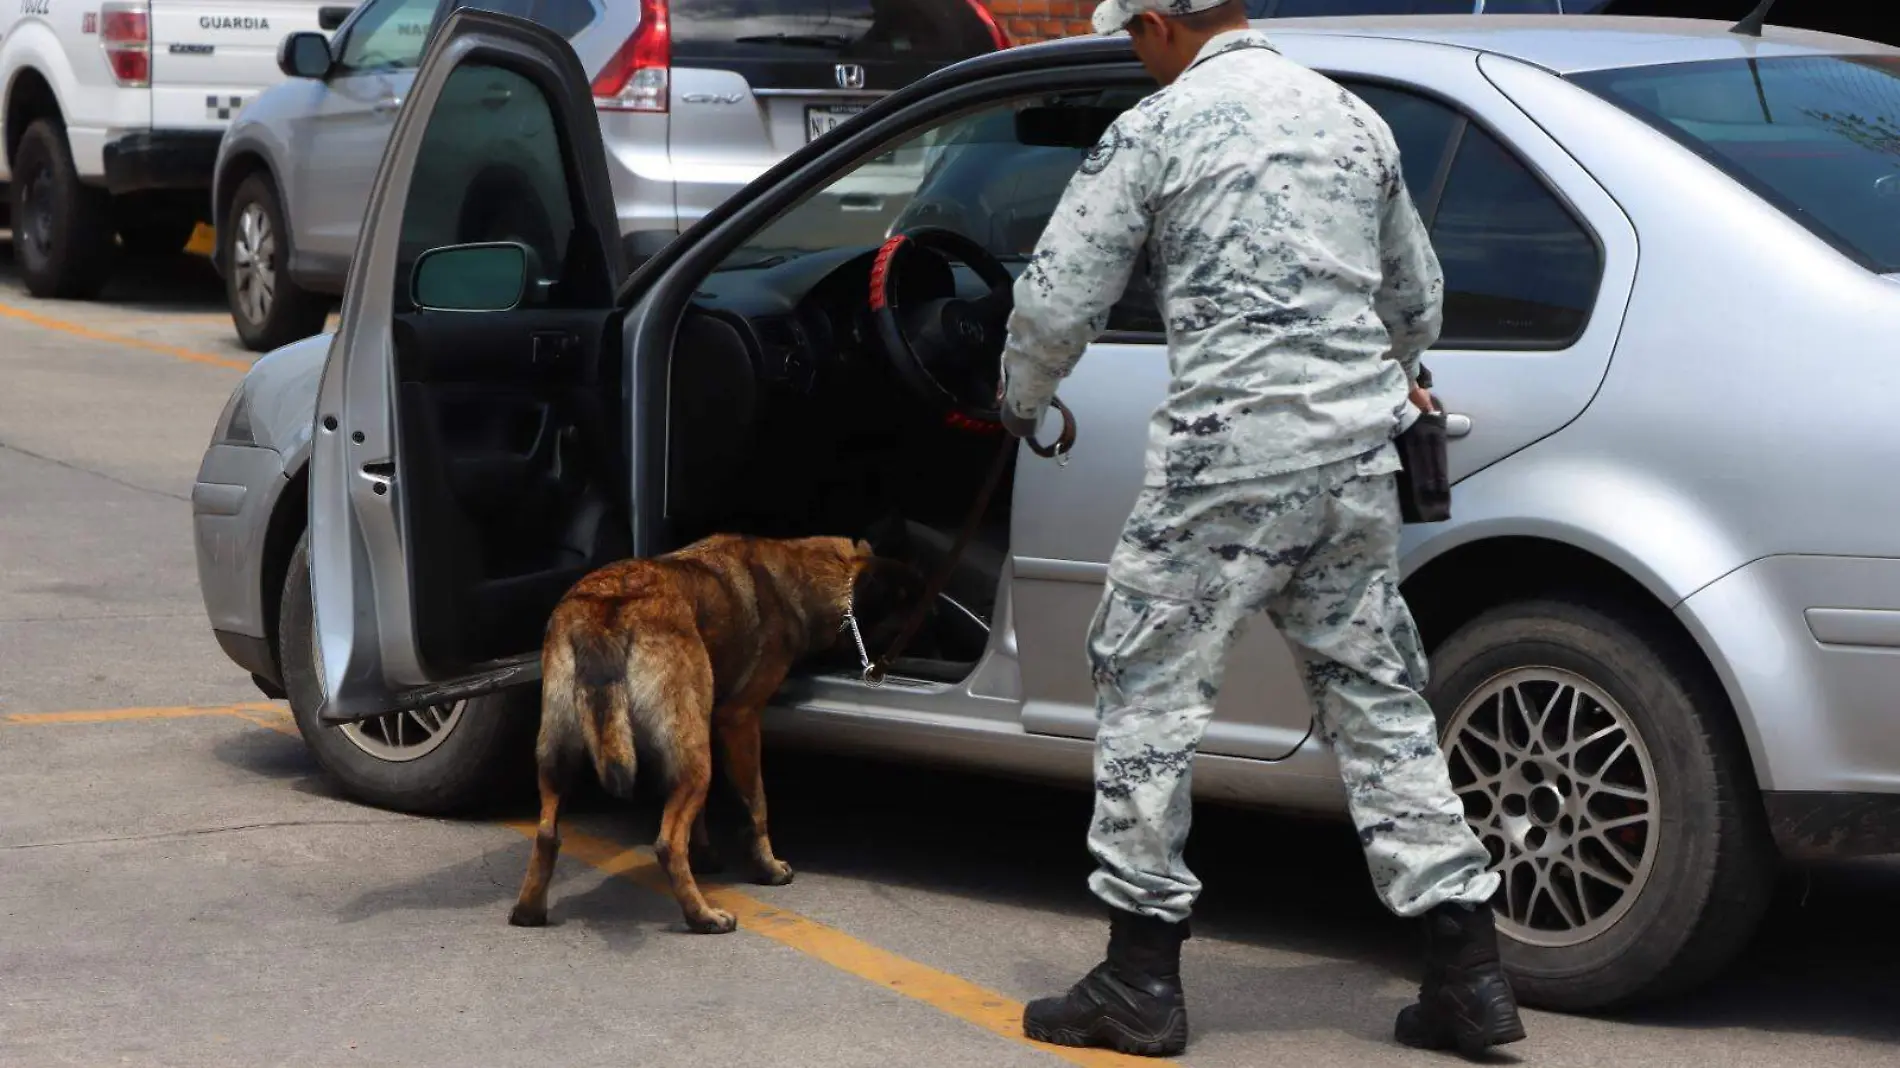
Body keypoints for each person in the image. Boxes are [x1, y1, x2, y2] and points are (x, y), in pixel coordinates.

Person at [995, 0, 1526, 1059]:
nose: (1133, 55)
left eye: (1130, 35)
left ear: (1157, 24)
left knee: (1145, 684)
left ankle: (1138, 976)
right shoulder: (1350, 119)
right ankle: (1468, 972)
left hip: (1222, 466)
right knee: (1376, 696)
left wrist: (1020, 392)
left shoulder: (1157, 127)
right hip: (1352, 465)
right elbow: (1416, 302)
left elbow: (1059, 298)